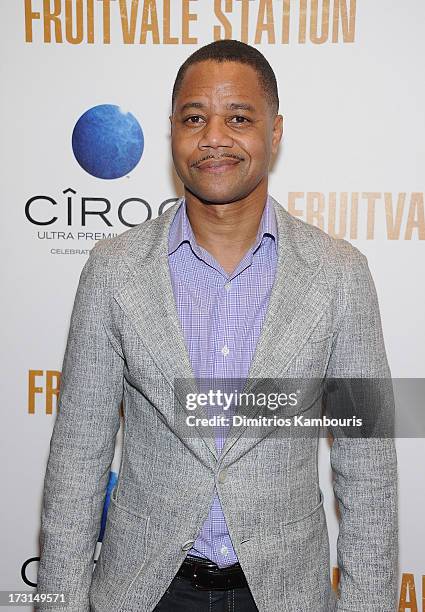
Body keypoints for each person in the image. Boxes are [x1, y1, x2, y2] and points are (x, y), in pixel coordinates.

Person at [36, 40, 398, 612]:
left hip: (286, 595)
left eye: (239, 118)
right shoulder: (113, 270)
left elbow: (368, 467)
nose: (214, 138)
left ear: (274, 133)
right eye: (194, 118)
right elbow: (77, 461)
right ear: (172, 132)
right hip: (145, 592)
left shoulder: (341, 275)